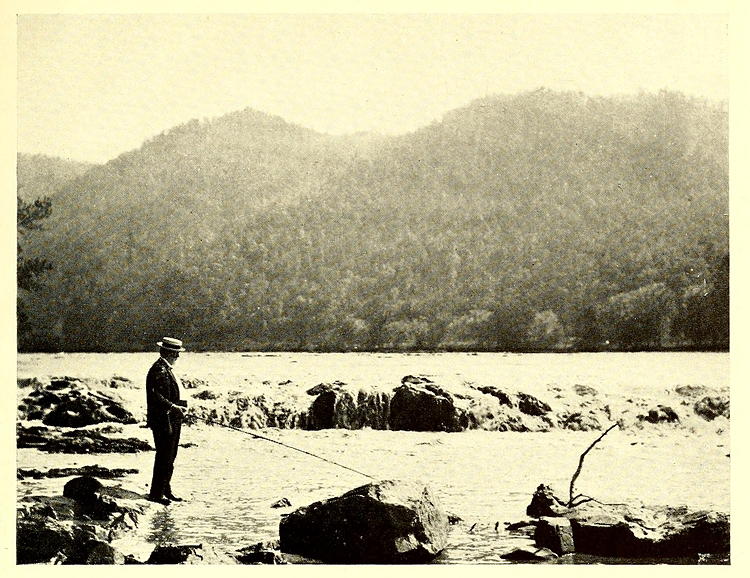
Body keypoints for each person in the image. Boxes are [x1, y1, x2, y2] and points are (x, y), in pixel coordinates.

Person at [146, 337, 188, 505]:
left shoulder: (164, 368)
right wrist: (174, 407)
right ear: (169, 353)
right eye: (176, 353)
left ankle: (165, 490)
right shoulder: (159, 370)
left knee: (170, 456)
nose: (178, 357)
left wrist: (179, 407)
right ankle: (156, 494)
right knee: (164, 456)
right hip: (164, 420)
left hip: (171, 418)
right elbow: (157, 396)